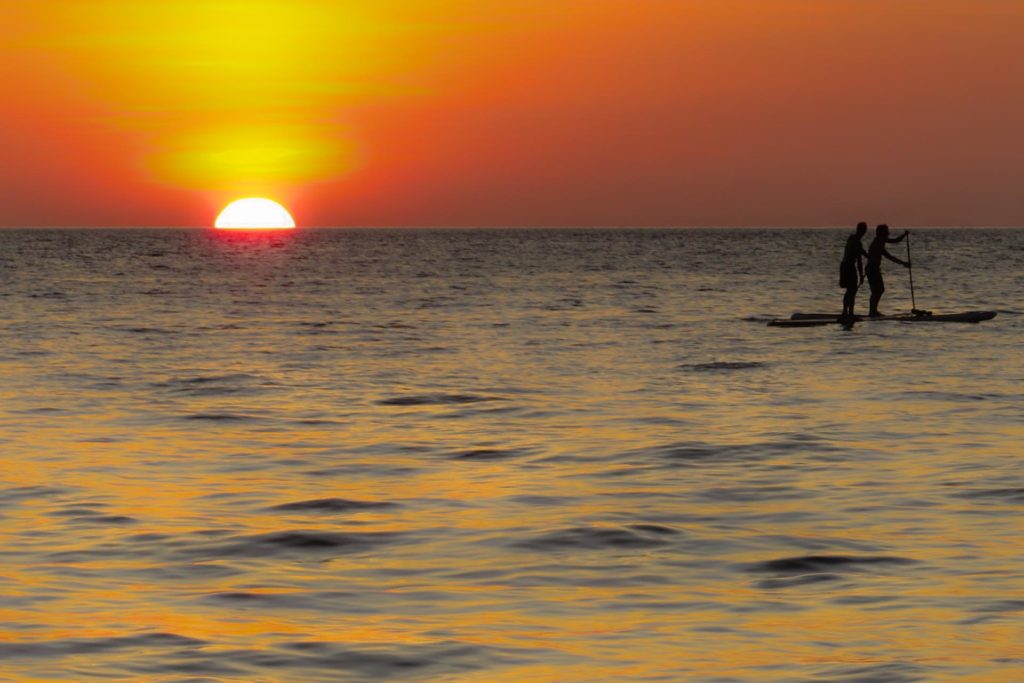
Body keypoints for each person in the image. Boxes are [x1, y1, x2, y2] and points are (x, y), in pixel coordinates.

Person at [865, 224, 910, 317]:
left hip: (873, 269)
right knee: (878, 290)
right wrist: (904, 234)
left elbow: (890, 257)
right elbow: (895, 241)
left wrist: (903, 263)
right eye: (886, 232)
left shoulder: (879, 243)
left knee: (878, 290)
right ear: (882, 233)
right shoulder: (879, 241)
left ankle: (873, 311)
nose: (888, 234)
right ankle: (872, 312)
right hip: (872, 269)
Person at [839, 222, 868, 318]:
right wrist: (861, 275)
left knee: (849, 290)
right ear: (864, 231)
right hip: (849, 267)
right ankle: (849, 313)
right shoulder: (857, 242)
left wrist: (868, 256)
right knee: (852, 290)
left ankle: (845, 312)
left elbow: (861, 251)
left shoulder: (851, 238)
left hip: (844, 266)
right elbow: (859, 260)